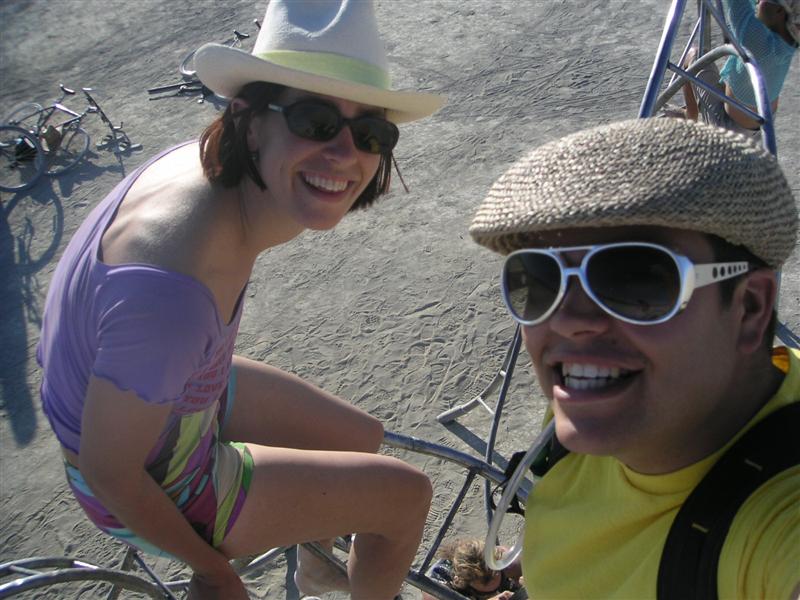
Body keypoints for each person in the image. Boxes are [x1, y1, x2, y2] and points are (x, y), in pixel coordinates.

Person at [35, 1, 444, 599]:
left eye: (372, 133)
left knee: (359, 437)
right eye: (314, 120)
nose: (344, 155)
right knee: (406, 498)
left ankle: (316, 563)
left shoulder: (200, 166)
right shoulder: (175, 286)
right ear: (249, 119)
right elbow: (111, 471)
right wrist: (214, 573)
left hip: (163, 399)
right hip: (146, 473)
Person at [469, 117, 799, 599]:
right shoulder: (600, 398)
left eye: (635, 280)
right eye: (540, 279)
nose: (566, 320)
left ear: (750, 308)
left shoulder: (775, 527)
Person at [681, 0, 798, 135]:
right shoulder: (790, 39)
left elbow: (736, 4)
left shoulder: (755, 37)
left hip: (727, 128)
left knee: (693, 55)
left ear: (779, 11)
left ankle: (690, 117)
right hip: (762, 129)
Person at [422, 539, 524, 600]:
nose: (492, 579)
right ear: (462, 580)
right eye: (485, 581)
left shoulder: (505, 559)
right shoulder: (439, 589)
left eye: (495, 573)